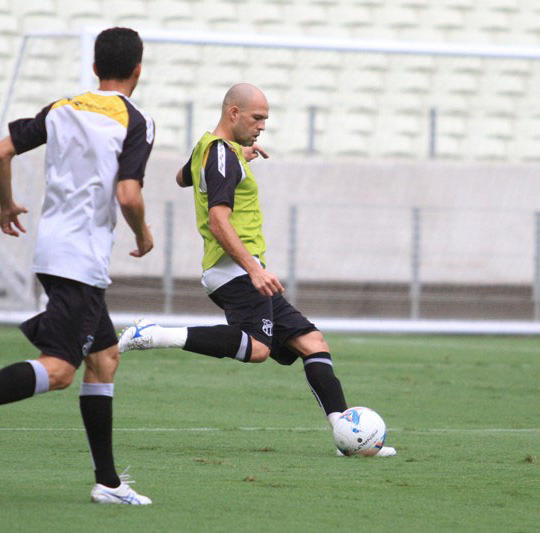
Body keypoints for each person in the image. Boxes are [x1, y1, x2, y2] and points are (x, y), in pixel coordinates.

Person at [0, 27, 157, 504]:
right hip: (80, 259)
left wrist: (7, 205)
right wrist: (143, 234)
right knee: (62, 370)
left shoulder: (63, 107)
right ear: (138, 70)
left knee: (104, 358)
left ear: (94, 67)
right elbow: (128, 194)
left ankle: (107, 483)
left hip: (54, 248)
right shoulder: (136, 120)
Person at [118, 83, 395, 457]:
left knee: (313, 344)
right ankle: (155, 334)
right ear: (233, 113)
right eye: (257, 117)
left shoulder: (212, 149)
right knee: (259, 349)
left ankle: (347, 435)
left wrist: (236, 157)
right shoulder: (222, 156)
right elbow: (218, 221)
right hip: (234, 269)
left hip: (241, 268)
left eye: (265, 118)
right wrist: (254, 269)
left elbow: (182, 178)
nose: (262, 125)